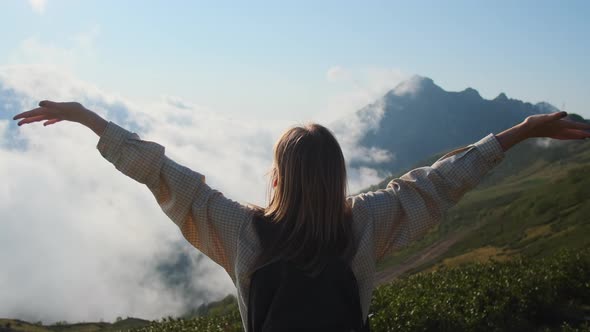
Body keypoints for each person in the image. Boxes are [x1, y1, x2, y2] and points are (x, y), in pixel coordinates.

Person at [13, 101, 590, 331]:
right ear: (338, 174)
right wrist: (522, 132)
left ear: (278, 176)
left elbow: (164, 174)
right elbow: (441, 183)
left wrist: (89, 119)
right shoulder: (366, 223)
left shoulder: (239, 230)